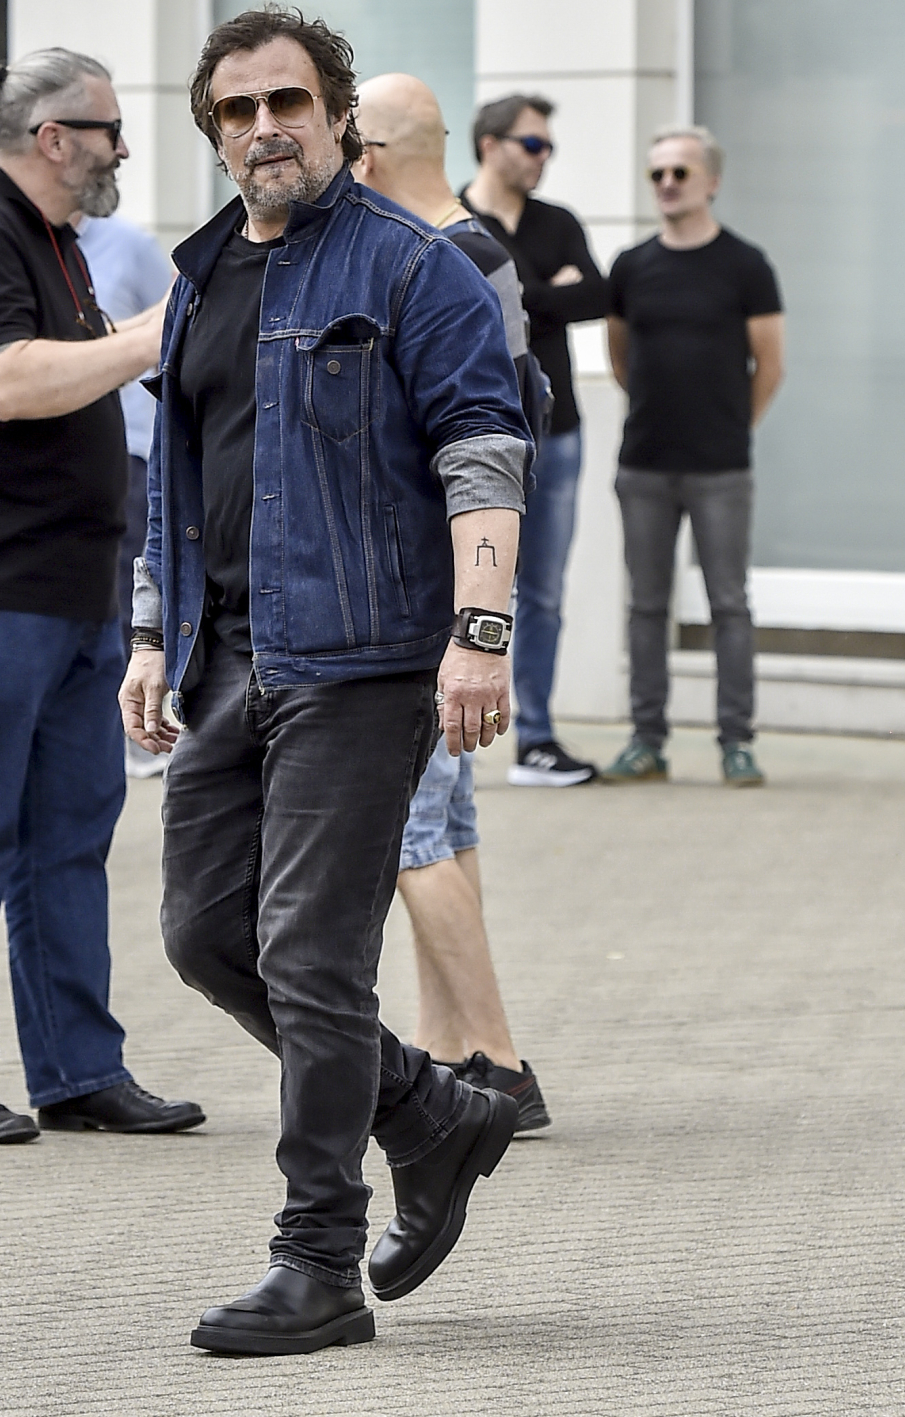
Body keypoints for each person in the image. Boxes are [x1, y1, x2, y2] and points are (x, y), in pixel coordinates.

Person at [121, 7, 530, 1356]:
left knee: (310, 956)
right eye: (236, 110)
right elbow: (175, 484)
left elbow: (483, 447)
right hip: (227, 659)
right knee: (204, 937)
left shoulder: (414, 267)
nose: (264, 128)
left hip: (362, 662)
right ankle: (431, 1110)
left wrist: (479, 631)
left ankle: (317, 1262)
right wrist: (149, 634)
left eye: (287, 101)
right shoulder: (199, 277)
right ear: (212, 130)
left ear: (339, 115)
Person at [0, 47, 202, 1147]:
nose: (123, 148)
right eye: (109, 130)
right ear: (53, 138)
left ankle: (78, 1070)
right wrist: (149, 334)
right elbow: (6, 382)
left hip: (67, 587)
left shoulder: (54, 240)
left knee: (68, 836)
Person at [353, 71, 550, 1136]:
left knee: (413, 830)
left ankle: (500, 1061)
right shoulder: (479, 249)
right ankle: (449, 1046)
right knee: (447, 821)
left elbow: (484, 443)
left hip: (425, 585)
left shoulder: (440, 259)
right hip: (451, 581)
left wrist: (476, 611)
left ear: (370, 156)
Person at [602, 124, 785, 788]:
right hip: (645, 465)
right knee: (646, 606)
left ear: (711, 181)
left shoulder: (746, 265)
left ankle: (737, 742)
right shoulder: (631, 266)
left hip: (720, 468)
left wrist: (731, 426)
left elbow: (770, 364)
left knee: (729, 605)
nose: (668, 184)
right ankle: (647, 741)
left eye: (680, 172)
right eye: (657, 173)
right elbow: (620, 356)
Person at [463, 93, 608, 786]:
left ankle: (537, 739)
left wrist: (528, 294)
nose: (544, 156)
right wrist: (549, 292)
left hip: (561, 430)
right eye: (532, 143)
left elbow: (598, 297)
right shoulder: (458, 220)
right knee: (469, 588)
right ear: (490, 144)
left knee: (544, 591)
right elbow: (506, 304)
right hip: (480, 434)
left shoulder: (558, 222)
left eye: (547, 145)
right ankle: (453, 735)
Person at [74, 209, 173, 779]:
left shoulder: (129, 244)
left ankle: (138, 725)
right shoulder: (31, 248)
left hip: (132, 446)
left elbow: (172, 331)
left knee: (128, 587)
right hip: (68, 457)